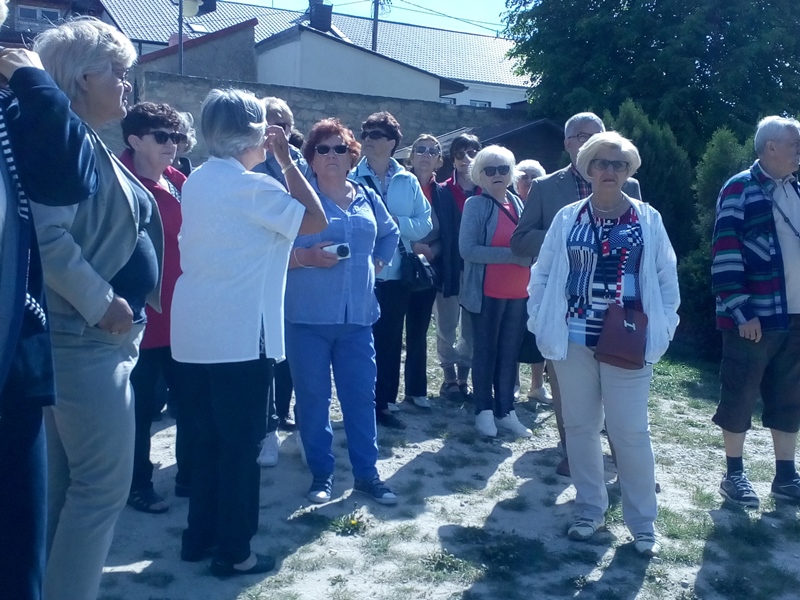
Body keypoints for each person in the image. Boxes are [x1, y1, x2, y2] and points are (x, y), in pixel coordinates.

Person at [31, 18, 164, 600]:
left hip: (82, 341)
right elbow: (48, 238)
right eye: (118, 71)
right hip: (84, 342)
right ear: (83, 77)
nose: (126, 84)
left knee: (65, 488)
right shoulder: (65, 141)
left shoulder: (77, 136)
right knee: (101, 490)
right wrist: (103, 302)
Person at [170, 88, 326, 577]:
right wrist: (287, 161)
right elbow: (316, 220)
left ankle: (199, 537)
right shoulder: (253, 187)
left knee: (206, 441)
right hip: (239, 333)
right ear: (257, 133)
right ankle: (235, 551)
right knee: (240, 447)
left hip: (195, 330)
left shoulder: (198, 178)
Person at [529, 131, 679, 557]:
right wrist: (539, 319)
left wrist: (664, 328)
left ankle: (643, 524)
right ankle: (589, 510)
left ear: (629, 171)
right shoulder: (567, 218)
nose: (609, 170)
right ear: (588, 168)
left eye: (618, 164)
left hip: (627, 342)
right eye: (601, 163)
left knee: (629, 431)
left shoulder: (647, 218)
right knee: (579, 427)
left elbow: (666, 279)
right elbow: (542, 273)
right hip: (573, 339)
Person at [0, 20, 96, 600]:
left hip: (14, 368)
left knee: (18, 558)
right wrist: (102, 302)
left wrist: (35, 86)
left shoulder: (16, 111)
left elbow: (68, 178)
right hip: (61, 339)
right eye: (117, 73)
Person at [511, 112, 641, 477]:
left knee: (619, 389)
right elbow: (520, 241)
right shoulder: (545, 187)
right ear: (568, 143)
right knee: (568, 390)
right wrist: (567, 236)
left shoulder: (631, 187)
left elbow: (641, 240)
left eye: (597, 134)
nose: (589, 142)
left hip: (618, 305)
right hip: (566, 306)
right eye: (582, 136)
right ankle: (574, 454)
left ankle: (625, 462)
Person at [285, 118, 400, 504]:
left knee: (360, 399)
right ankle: (322, 474)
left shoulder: (366, 194)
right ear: (311, 158)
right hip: (307, 318)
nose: (331, 155)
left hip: (358, 319)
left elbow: (390, 232)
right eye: (323, 149)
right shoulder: (297, 198)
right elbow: (272, 250)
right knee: (313, 400)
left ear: (352, 157)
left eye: (340, 148)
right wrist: (306, 257)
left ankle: (367, 474)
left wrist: (379, 261)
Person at [711, 116, 800, 508]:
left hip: (794, 317)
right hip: (754, 318)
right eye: (796, 144)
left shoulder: (796, 187)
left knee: (789, 398)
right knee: (740, 395)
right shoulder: (740, 187)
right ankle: (734, 474)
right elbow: (725, 250)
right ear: (771, 148)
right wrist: (740, 310)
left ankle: (786, 477)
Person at [119, 102, 191, 513]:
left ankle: (189, 478)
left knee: (192, 404)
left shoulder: (179, 180)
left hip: (183, 318)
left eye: (175, 136)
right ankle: (137, 485)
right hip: (140, 321)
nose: (172, 144)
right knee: (140, 413)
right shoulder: (118, 182)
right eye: (161, 137)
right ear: (134, 140)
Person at [351, 111, 431, 429]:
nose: (367, 139)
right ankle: (359, 402)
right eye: (365, 133)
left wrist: (395, 224)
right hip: (361, 273)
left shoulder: (408, 181)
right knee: (359, 343)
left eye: (375, 134)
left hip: (397, 275)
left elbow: (425, 223)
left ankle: (383, 404)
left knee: (390, 341)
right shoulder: (351, 177)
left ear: (392, 142)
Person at [253, 97, 313, 468]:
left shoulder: (303, 163)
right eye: (272, 123)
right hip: (263, 271)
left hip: (300, 270)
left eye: (286, 124)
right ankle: (268, 430)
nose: (279, 131)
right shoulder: (252, 164)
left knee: (293, 354)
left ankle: (293, 421)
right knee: (266, 354)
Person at [459, 145, 534, 439]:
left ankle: (506, 411)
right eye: (490, 170)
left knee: (509, 353)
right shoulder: (475, 205)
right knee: (486, 352)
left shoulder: (518, 203)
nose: (497, 175)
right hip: (487, 292)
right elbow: (468, 250)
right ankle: (484, 411)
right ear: (480, 174)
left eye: (503, 169)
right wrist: (513, 256)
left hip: (518, 292)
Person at [406, 134, 461, 408]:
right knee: (388, 334)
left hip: (425, 272)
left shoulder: (443, 195)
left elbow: (448, 235)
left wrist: (432, 250)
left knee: (418, 333)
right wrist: (410, 245)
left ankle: (416, 392)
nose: (426, 155)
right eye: (421, 149)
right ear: (411, 156)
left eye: (432, 151)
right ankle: (382, 396)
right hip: (393, 269)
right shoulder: (397, 185)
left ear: (439, 160)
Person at [439, 133, 482, 400]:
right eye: (460, 154)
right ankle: (449, 378)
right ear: (452, 159)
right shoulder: (442, 190)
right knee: (446, 325)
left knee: (470, 327)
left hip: (477, 269)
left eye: (472, 152)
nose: (466, 158)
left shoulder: (487, 191)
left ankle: (464, 377)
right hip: (448, 267)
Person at [513, 159, 551, 403]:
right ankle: (513, 383)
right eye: (523, 176)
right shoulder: (511, 205)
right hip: (514, 280)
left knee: (539, 332)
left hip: (542, 281)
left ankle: (537, 386)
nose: (528, 181)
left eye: (534, 176)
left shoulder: (547, 207)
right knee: (514, 332)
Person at [172, 111, 196, 177]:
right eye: (172, 136)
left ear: (188, 141)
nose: (175, 142)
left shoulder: (196, 176)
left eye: (181, 137)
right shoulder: (149, 175)